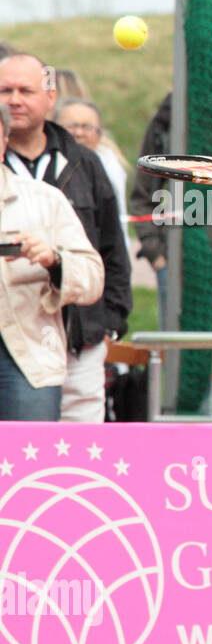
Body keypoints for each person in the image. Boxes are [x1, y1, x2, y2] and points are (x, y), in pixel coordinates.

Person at [0, 52, 132, 423]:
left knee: (76, 451)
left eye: (25, 90)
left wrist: (110, 323)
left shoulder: (85, 162)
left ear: (50, 97)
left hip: (80, 337)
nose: (14, 100)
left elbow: (111, 246)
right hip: (18, 339)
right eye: (4, 90)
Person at [131, 25, 212, 326]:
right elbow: (143, 191)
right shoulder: (170, 114)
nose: (210, 60)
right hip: (182, 266)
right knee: (181, 359)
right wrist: (158, 256)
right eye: (201, 53)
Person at [0, 105, 105, 420]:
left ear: (4, 139)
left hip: (23, 361)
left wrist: (55, 261)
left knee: (27, 462)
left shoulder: (44, 201)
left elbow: (92, 277)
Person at [54, 97, 130, 251]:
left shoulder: (109, 166)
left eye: (87, 127)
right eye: (72, 126)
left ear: (99, 133)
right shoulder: (47, 164)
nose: (79, 132)